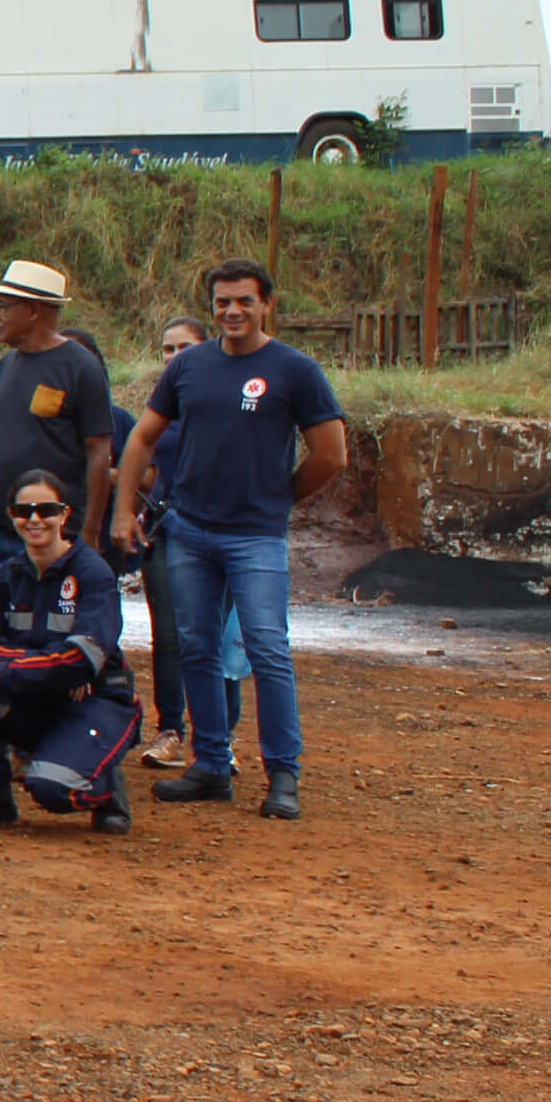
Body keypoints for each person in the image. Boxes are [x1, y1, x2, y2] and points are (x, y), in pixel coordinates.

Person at [116, 258, 346, 823]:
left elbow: (331, 453)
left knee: (267, 650)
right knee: (197, 647)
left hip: (254, 538)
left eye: (244, 300)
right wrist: (124, 509)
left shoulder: (294, 370)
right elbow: (143, 436)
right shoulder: (188, 366)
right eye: (222, 302)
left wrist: (279, 497)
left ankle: (282, 774)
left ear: (266, 303)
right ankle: (211, 766)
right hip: (190, 531)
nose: (232, 311)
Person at [0, 468, 138, 833]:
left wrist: (2, 667)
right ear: (11, 516)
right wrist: (47, 666)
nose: (34, 519)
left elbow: (83, 659)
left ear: (64, 514)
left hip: (92, 701)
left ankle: (106, 787)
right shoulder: (4, 575)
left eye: (46, 510)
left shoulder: (93, 574)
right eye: (23, 510)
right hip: (35, 696)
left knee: (52, 790)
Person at [0, 259, 113, 583]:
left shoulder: (81, 369)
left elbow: (99, 452)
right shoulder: (2, 368)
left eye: (4, 306)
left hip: (50, 529)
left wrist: (89, 530)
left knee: (42, 625)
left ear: (33, 311)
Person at [129, 314, 214, 768]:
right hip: (163, 527)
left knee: (216, 636)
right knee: (168, 634)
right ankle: (170, 731)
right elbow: (146, 460)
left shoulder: (218, 397)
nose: (175, 357)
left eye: (185, 348)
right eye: (168, 349)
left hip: (214, 528)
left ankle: (216, 738)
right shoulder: (161, 403)